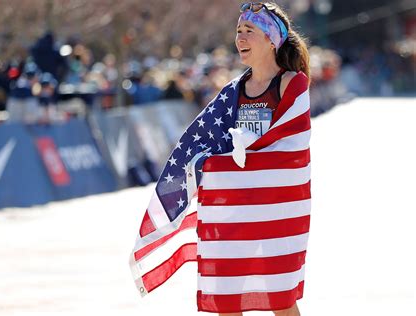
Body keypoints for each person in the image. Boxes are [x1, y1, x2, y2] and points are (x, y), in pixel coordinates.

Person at [130, 3, 311, 316]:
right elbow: (204, 143)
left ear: (271, 39)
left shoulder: (291, 83)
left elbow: (290, 149)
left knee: (280, 298)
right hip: (233, 207)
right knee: (226, 294)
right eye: (238, 30)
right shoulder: (234, 91)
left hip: (273, 208)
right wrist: (206, 166)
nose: (240, 37)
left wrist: (228, 165)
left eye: (249, 31)